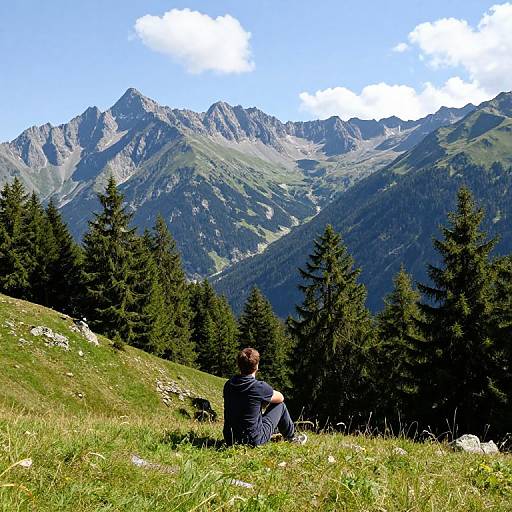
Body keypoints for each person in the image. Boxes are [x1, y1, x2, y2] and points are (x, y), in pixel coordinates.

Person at [223, 347, 307, 447]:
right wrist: (265, 400)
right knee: (280, 406)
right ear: (257, 366)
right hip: (253, 440)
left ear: (238, 365)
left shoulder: (229, 384)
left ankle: (275, 431)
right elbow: (280, 398)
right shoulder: (259, 387)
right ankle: (292, 438)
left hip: (230, 438)